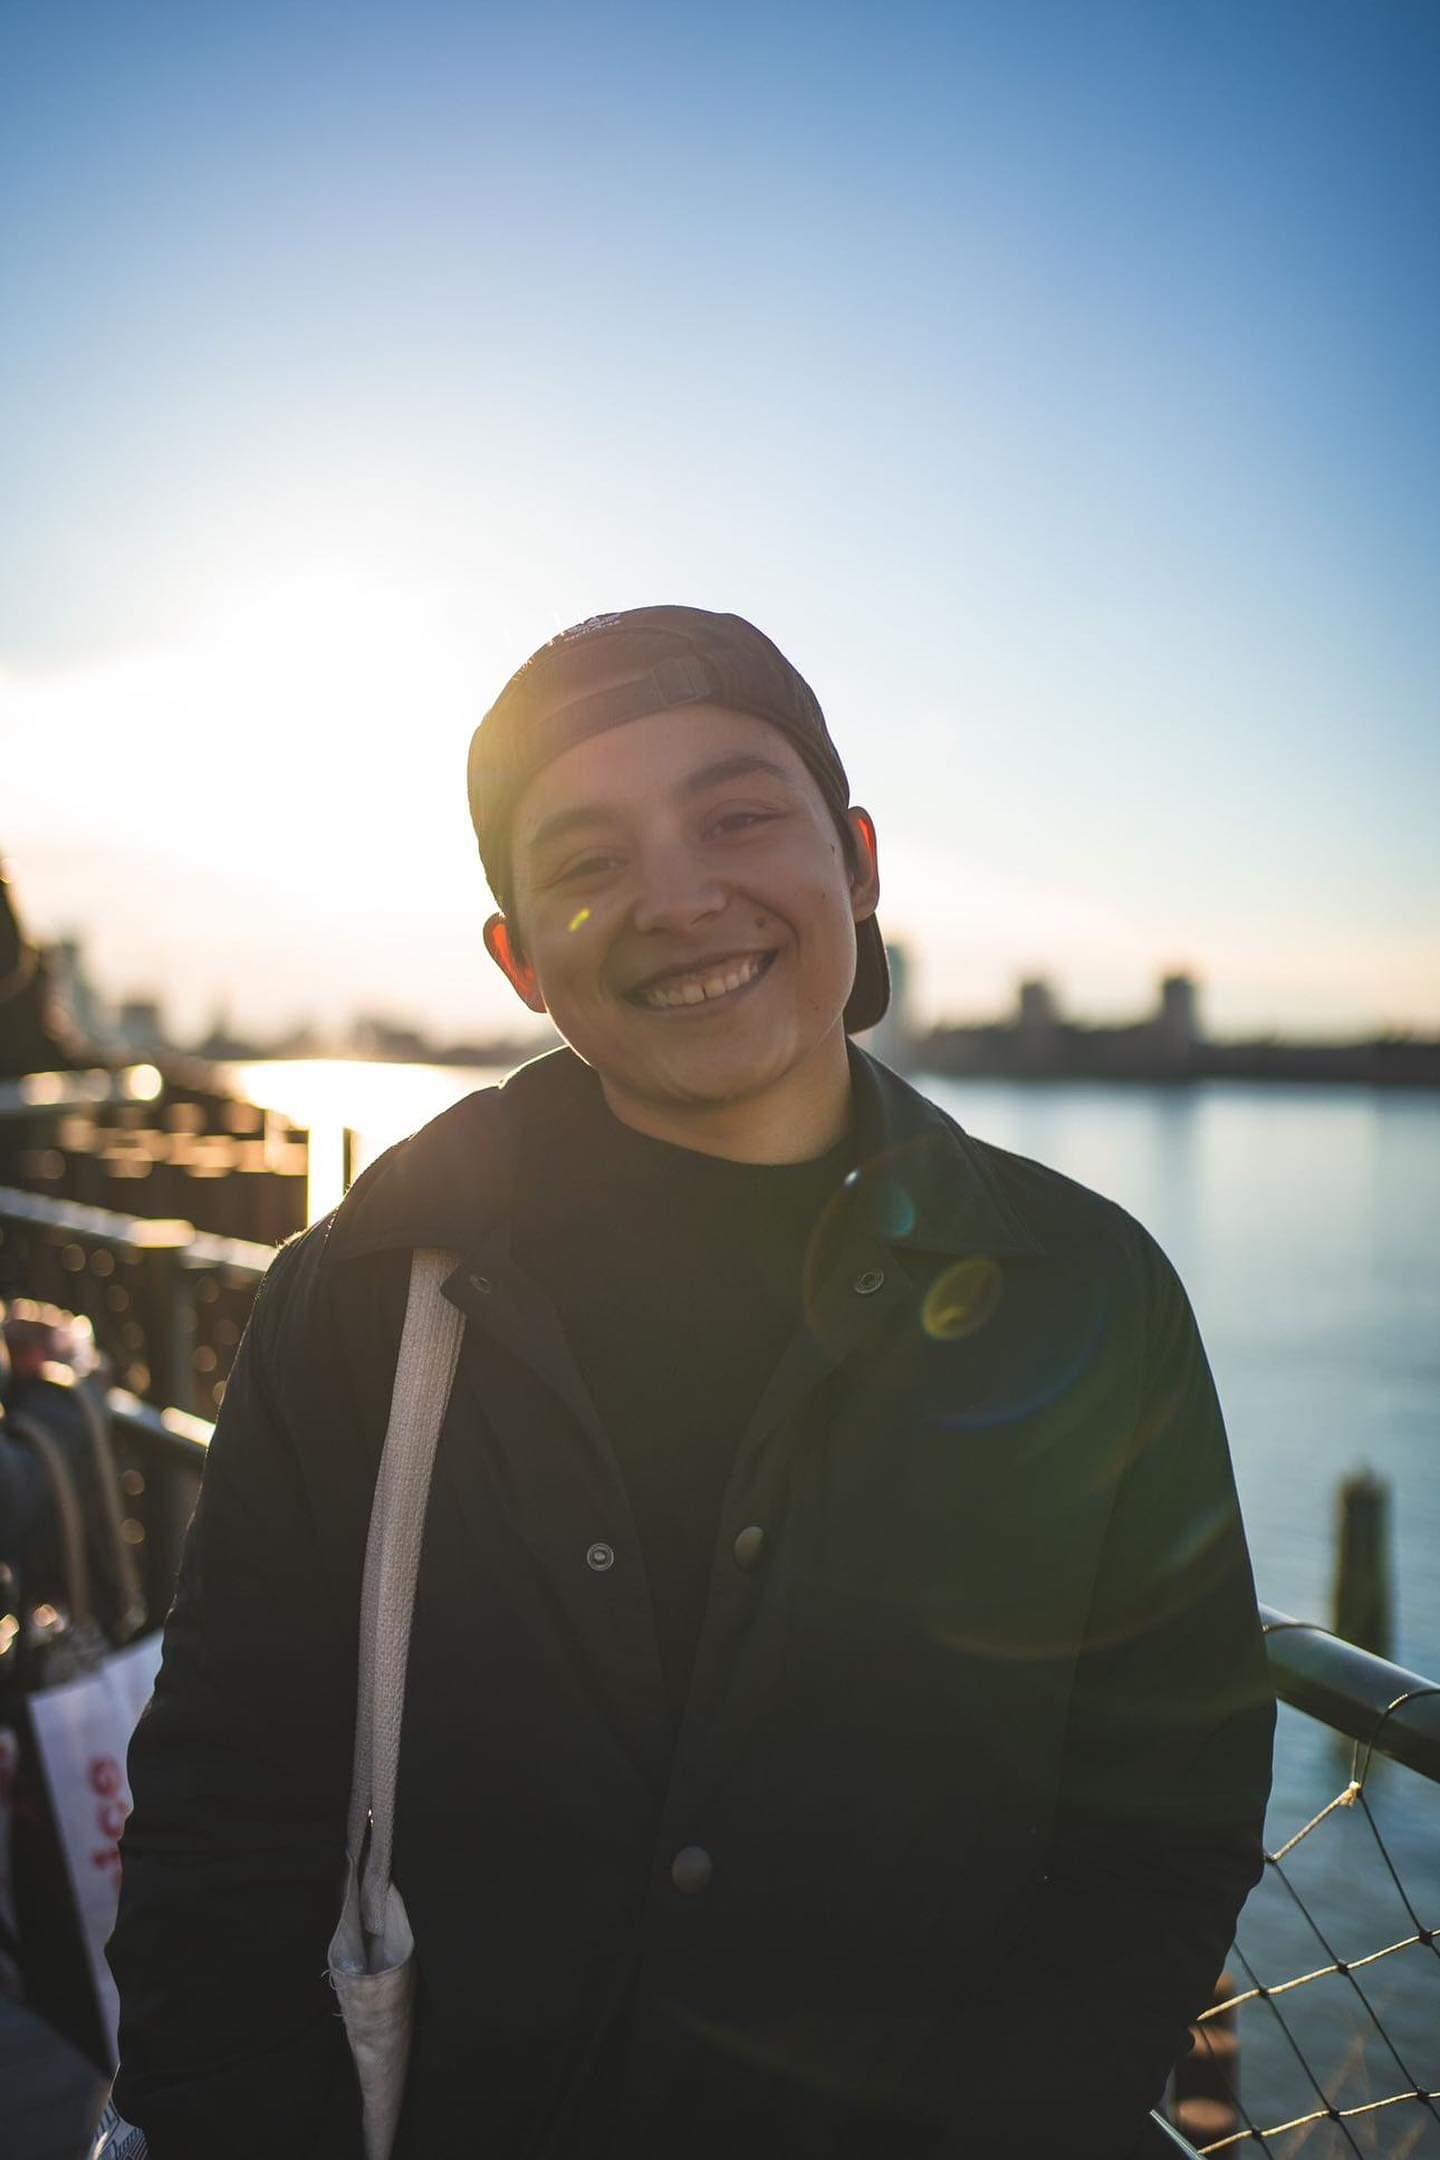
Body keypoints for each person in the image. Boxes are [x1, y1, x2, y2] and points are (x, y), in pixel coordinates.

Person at [108, 606, 1275, 2159]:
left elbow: (1163, 1824)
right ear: (521, 958)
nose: (676, 897)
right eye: (587, 863)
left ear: (857, 865)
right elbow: (225, 1825)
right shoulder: (364, 1301)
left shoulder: (1087, 1297)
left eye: (735, 817)